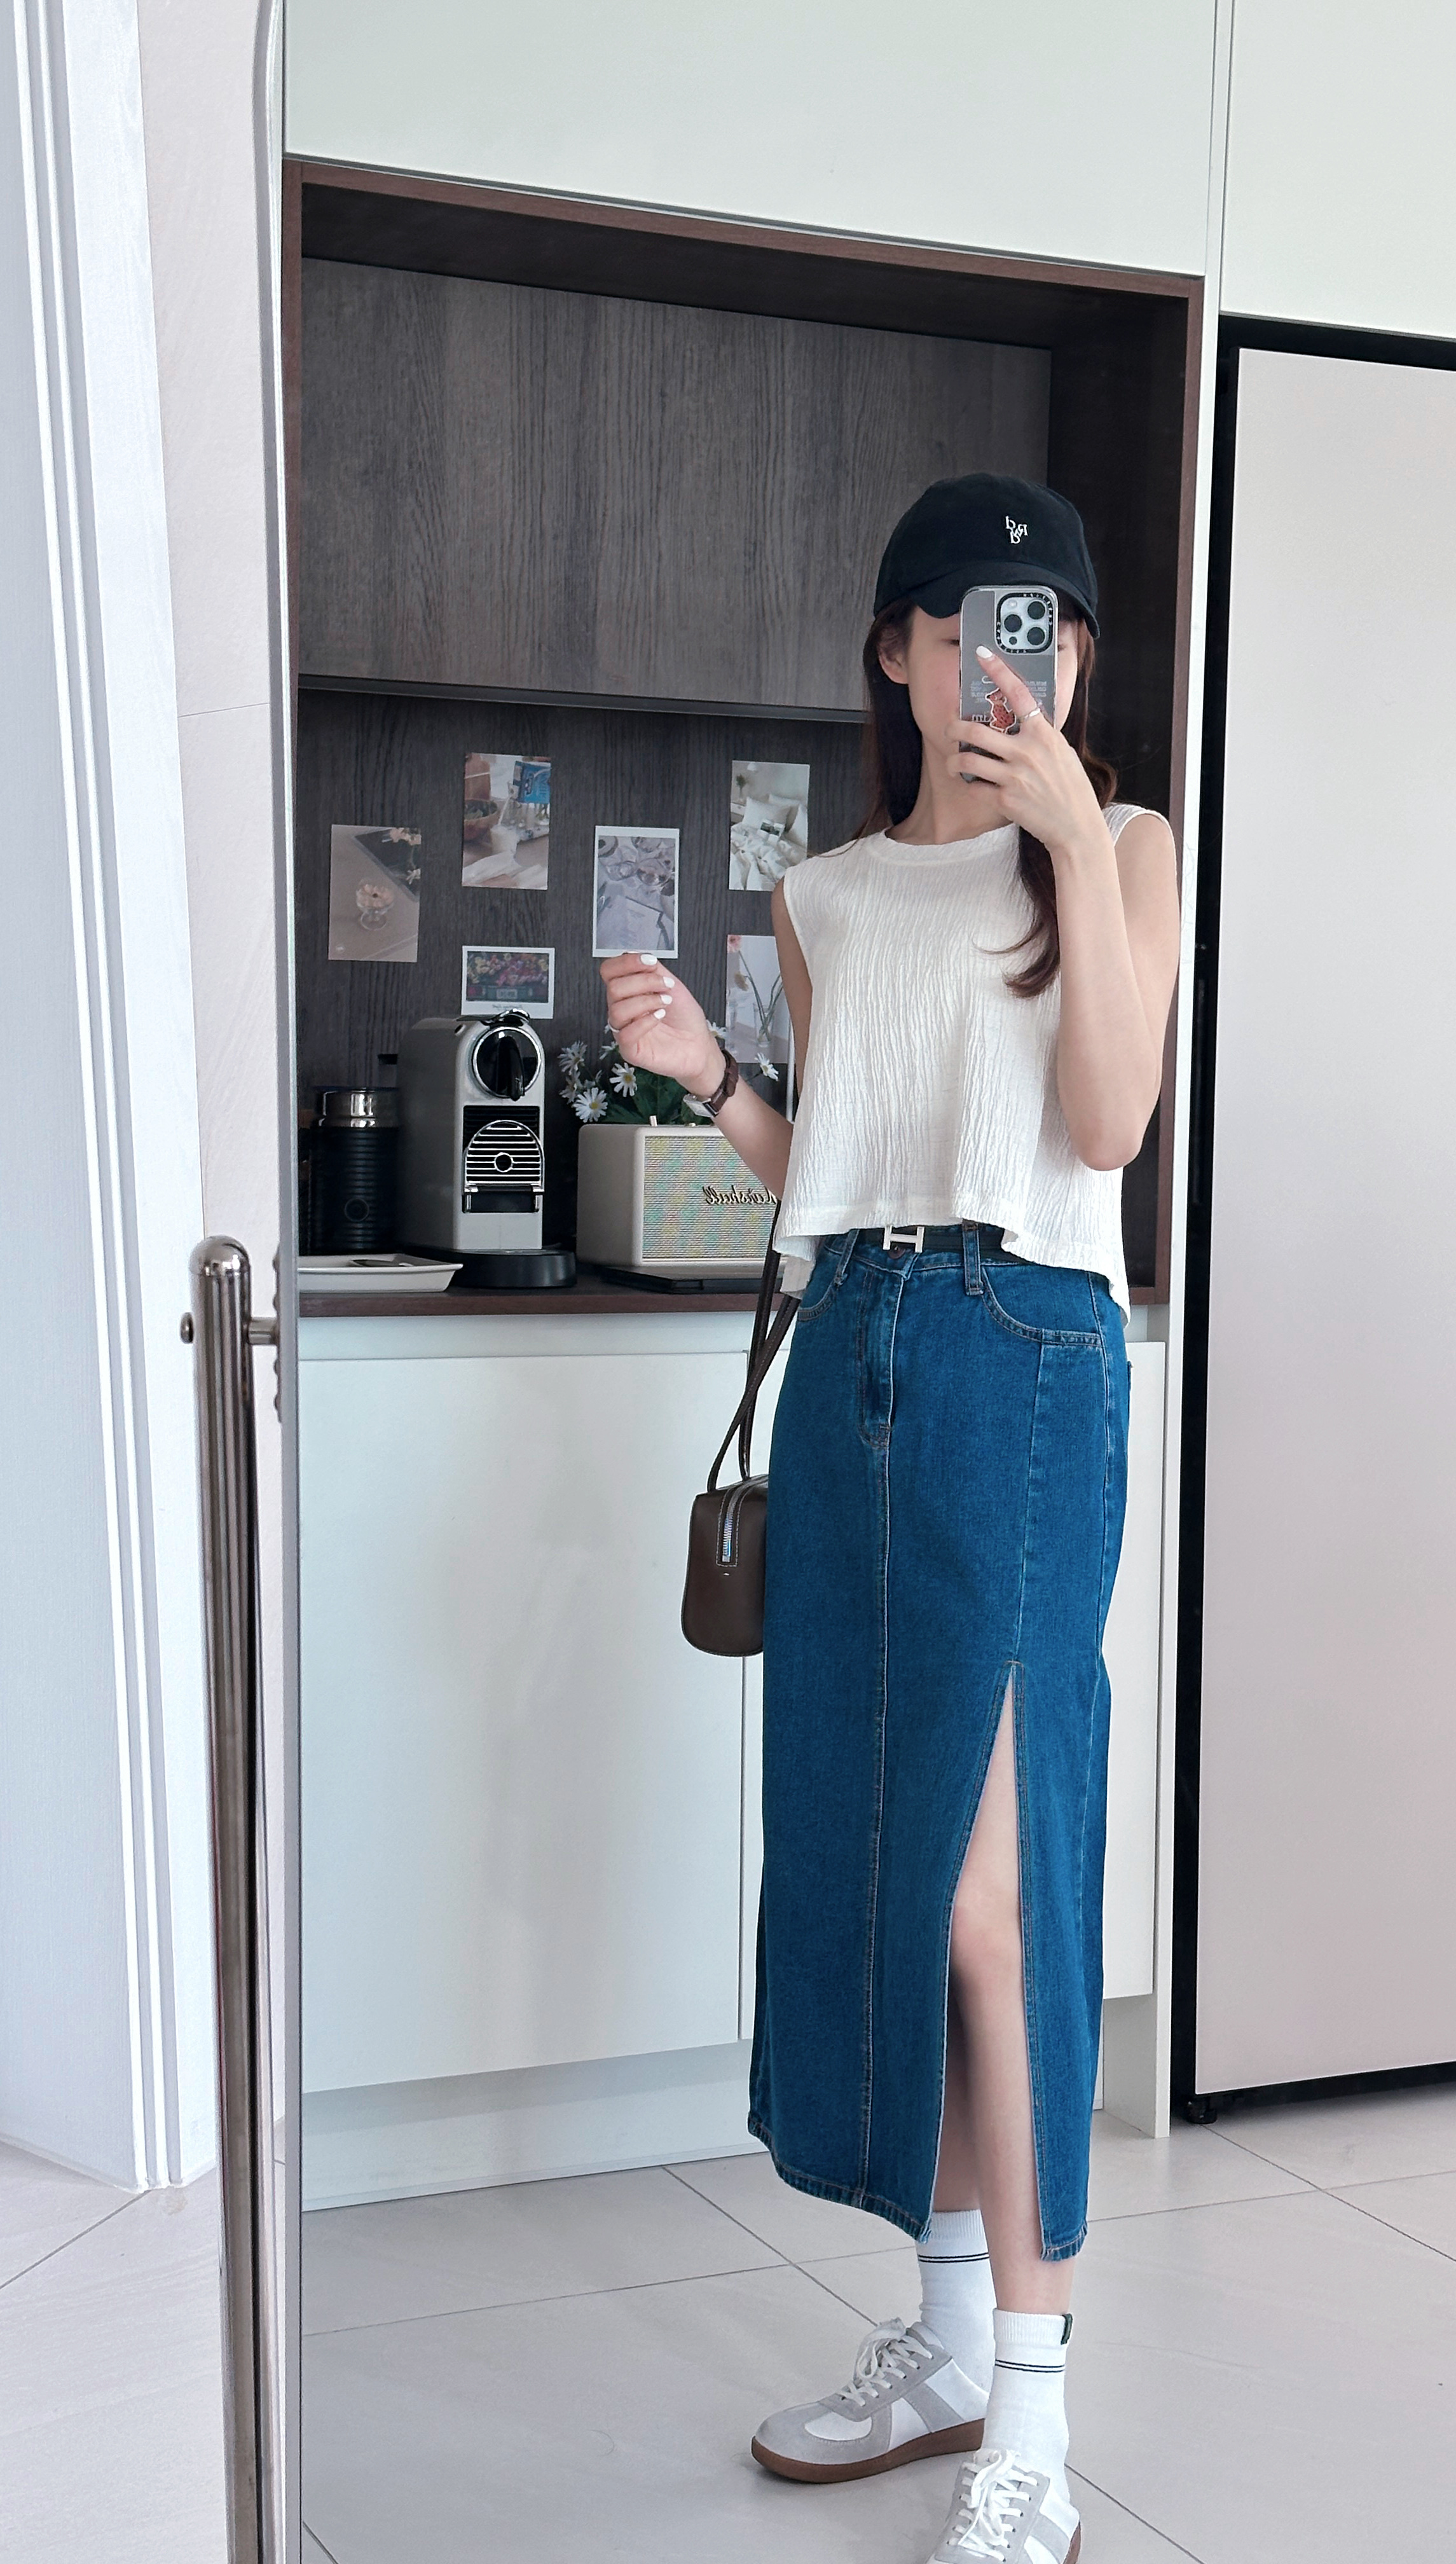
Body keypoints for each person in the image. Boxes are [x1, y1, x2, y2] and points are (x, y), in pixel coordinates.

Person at [600, 473, 1181, 2564]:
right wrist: (708, 1078)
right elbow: (832, 1163)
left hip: (1027, 1351)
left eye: (1053, 632)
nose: (1019, 664)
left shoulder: (1123, 849)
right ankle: (940, 2344)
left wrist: (1068, 846)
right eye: (974, 627)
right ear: (897, 650)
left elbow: (1105, 1122)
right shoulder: (822, 895)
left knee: (991, 1892)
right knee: (875, 1865)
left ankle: (1034, 2408)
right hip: (852, 1342)